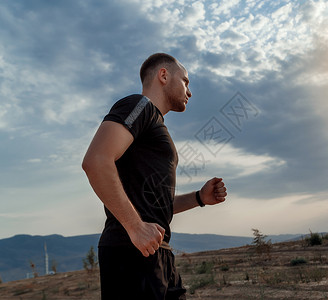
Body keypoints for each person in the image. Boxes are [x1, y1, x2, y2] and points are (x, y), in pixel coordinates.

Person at [82, 53, 227, 299]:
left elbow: (152, 201)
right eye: (185, 81)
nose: (189, 91)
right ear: (163, 75)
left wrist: (199, 198)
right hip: (131, 251)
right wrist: (135, 226)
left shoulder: (154, 125)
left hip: (156, 253)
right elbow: (96, 161)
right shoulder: (139, 106)